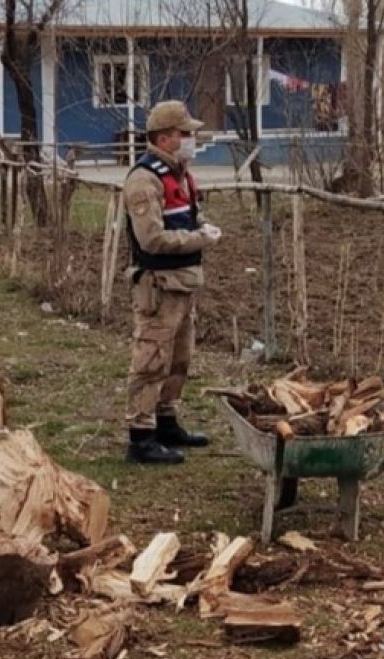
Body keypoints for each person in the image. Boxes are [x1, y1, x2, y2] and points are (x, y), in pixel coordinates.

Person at [122, 100, 223, 465]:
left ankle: (166, 421)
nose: (191, 139)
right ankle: (141, 435)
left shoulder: (179, 174)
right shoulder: (144, 180)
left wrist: (201, 227)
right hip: (158, 284)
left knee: (179, 358)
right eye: (185, 134)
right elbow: (152, 239)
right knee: (151, 358)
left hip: (183, 282)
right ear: (164, 138)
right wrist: (201, 239)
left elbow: (187, 218)